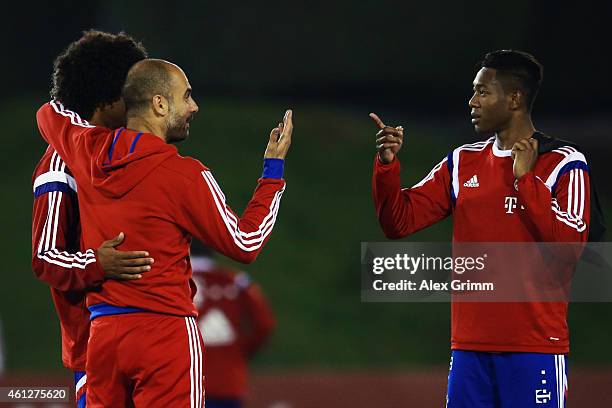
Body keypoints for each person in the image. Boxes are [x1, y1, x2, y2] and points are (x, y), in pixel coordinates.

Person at [36, 58, 292, 407]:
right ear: (159, 103)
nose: (194, 106)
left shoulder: (87, 151)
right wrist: (272, 173)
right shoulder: (184, 176)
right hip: (164, 334)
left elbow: (49, 114)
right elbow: (245, 243)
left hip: (104, 339)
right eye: (186, 96)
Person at [371, 50, 589, 407]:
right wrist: (387, 166)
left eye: (483, 92)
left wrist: (525, 180)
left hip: (534, 350)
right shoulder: (462, 162)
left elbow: (571, 248)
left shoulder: (564, 163)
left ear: (515, 98)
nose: (472, 101)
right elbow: (398, 221)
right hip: (469, 350)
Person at [31, 30, 153, 407]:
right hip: (95, 350)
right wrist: (98, 262)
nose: (144, 99)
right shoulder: (60, 165)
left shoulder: (133, 153)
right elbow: (46, 255)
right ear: (108, 97)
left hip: (150, 341)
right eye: (134, 90)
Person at [191, 242, 275, 408]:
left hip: (185, 382)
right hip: (228, 382)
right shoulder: (236, 281)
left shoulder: (171, 282)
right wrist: (238, 352)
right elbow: (265, 324)